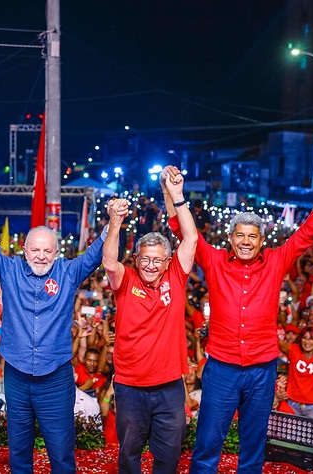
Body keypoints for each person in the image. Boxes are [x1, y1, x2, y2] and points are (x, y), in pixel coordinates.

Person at [169, 161, 313, 473]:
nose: (246, 241)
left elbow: (307, 232)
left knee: (253, 447)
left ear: (262, 240)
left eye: (252, 236)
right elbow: (185, 233)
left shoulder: (276, 261)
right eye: (240, 235)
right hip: (221, 368)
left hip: (262, 369)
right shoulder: (215, 261)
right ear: (230, 239)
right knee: (207, 443)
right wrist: (172, 193)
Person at [0, 200, 118, 474]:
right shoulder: (10, 270)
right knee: (19, 451)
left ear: (56, 252)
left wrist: (113, 221)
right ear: (24, 250)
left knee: (61, 452)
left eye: (47, 250)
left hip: (56, 379)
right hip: (17, 376)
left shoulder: (67, 272)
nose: (41, 256)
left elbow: (94, 255)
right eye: (35, 250)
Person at [102, 165, 198, 474]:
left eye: (157, 259)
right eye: (145, 258)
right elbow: (109, 262)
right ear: (136, 259)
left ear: (168, 261)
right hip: (130, 385)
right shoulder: (126, 279)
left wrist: (177, 194)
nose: (151, 265)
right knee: (129, 453)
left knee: (169, 454)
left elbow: (191, 238)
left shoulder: (176, 277)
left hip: (169, 386)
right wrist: (115, 222)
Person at [279, 326, 313, 418]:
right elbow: (275, 341)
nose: (307, 342)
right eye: (304, 338)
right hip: (292, 404)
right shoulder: (293, 350)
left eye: (311, 338)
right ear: (300, 339)